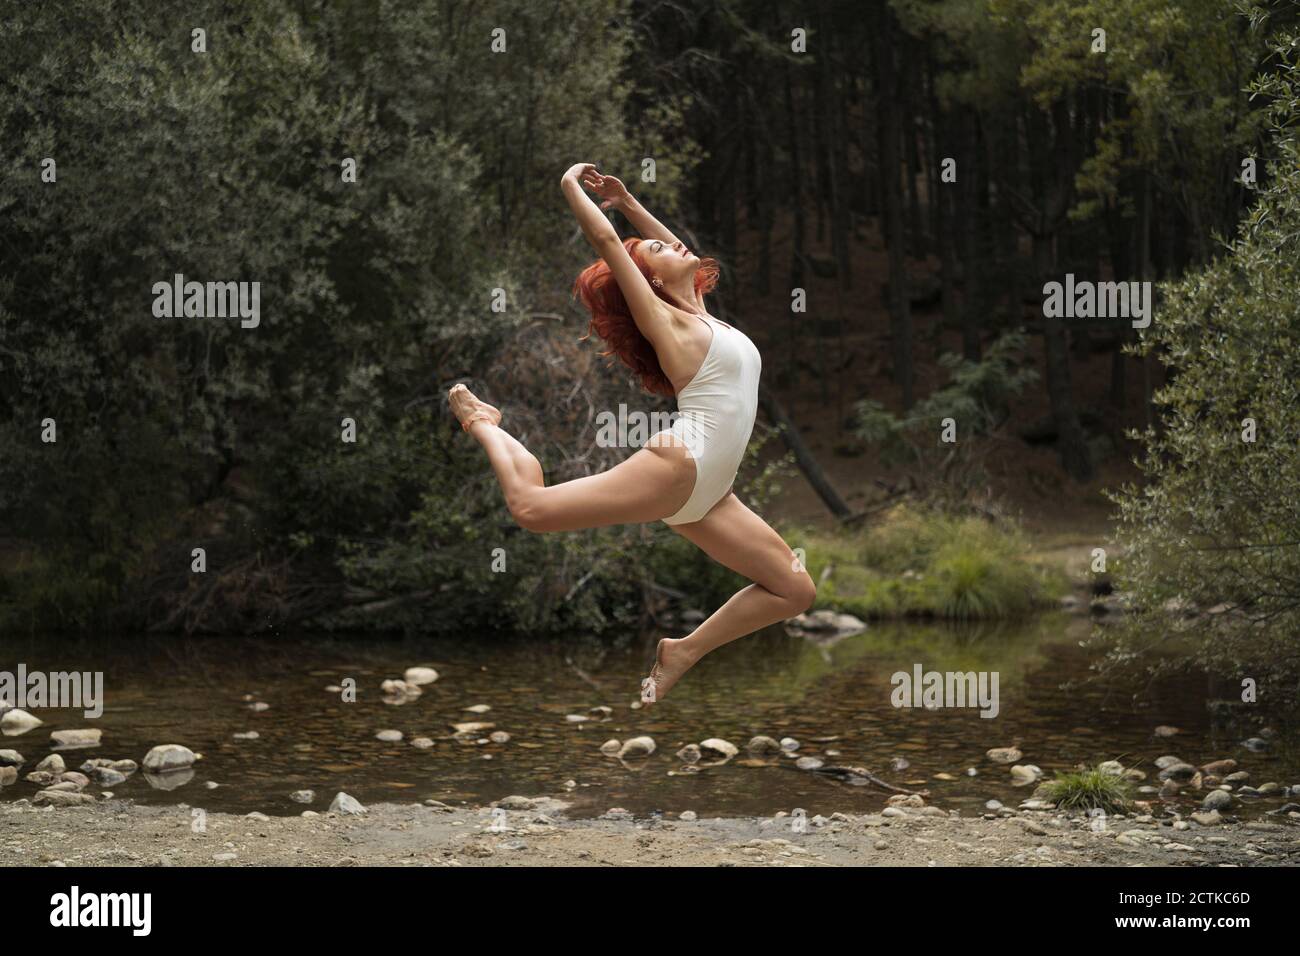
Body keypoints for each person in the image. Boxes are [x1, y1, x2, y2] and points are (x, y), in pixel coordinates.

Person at [448, 163, 815, 703]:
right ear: (651, 283)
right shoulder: (666, 323)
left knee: (795, 590)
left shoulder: (704, 315)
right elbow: (604, 240)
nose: (676, 247)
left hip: (711, 493)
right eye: (657, 254)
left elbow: (673, 252)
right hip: (682, 463)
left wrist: (627, 203)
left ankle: (684, 649)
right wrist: (570, 186)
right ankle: (484, 422)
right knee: (531, 508)